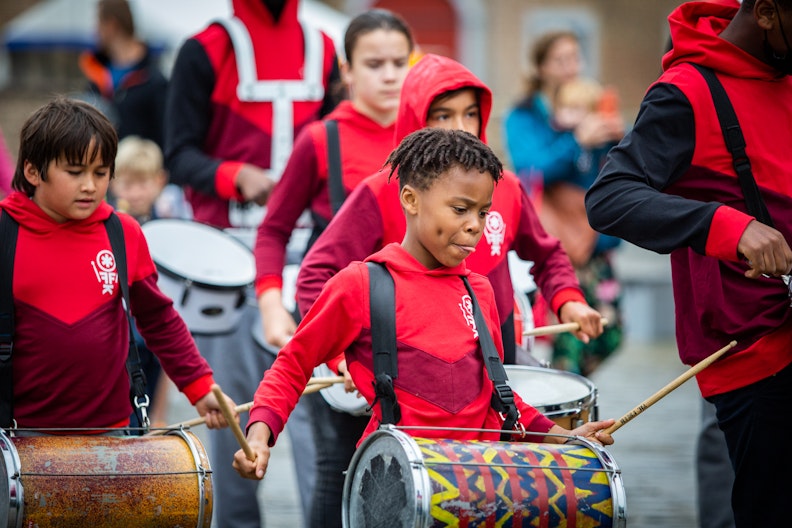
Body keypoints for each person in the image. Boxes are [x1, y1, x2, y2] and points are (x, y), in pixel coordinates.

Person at [233, 127, 616, 483]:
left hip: (483, 484)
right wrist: (259, 435)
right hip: (400, 484)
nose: (475, 225)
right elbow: (291, 366)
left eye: (483, 212)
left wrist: (563, 437)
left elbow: (497, 397)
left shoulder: (479, 290)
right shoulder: (360, 285)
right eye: (460, 209)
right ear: (411, 199)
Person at [585, 1, 792, 526]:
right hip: (759, 351)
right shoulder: (687, 91)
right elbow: (609, 197)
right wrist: (731, 227)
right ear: (767, 12)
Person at [296, 53, 604, 369]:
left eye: (470, 114)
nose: (460, 128)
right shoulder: (382, 190)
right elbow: (316, 274)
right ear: (415, 118)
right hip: (409, 380)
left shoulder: (507, 187)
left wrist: (569, 301)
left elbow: (548, 254)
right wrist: (338, 356)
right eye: (443, 116)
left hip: (497, 370)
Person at [164, 1, 340, 525]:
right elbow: (178, 152)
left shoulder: (326, 48)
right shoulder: (205, 49)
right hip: (226, 260)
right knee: (230, 417)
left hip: (313, 255)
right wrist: (233, 175)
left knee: (315, 413)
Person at [252, 9, 412, 527]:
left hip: (413, 322)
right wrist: (272, 302)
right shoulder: (321, 139)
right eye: (374, 63)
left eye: (398, 62)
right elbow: (274, 229)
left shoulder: (427, 139)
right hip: (341, 322)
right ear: (347, 71)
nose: (389, 75)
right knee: (337, 462)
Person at [0, 97, 236, 437]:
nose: (90, 186)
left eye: (100, 173)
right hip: (20, 437)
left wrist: (200, 386)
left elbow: (159, 319)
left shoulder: (121, 232)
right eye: (75, 171)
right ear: (33, 171)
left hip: (111, 435)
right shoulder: (6, 232)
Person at [502, 31, 625, 376]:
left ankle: (569, 391)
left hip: (593, 239)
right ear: (541, 67)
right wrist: (575, 140)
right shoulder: (525, 115)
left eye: (575, 58)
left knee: (609, 332)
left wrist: (613, 136)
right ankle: (563, 408)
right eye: (560, 59)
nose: (571, 67)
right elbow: (531, 167)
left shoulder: (590, 101)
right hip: (553, 240)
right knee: (566, 337)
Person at [109, 136, 176, 429]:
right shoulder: (108, 227)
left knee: (159, 367)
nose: (134, 193)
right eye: (127, 184)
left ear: (159, 181)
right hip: (120, 331)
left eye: (142, 183)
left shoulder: (167, 226)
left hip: (149, 329)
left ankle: (156, 416)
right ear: (113, 183)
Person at [78, 0, 167, 148]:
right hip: (101, 167)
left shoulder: (154, 80)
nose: (95, 31)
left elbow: (164, 136)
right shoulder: (96, 75)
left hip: (139, 167)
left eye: (98, 23)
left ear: (112, 25)